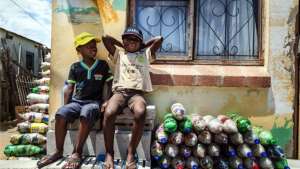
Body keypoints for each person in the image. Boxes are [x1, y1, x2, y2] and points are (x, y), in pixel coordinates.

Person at [37, 32, 113, 169]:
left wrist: (107, 101)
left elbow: (109, 84)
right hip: (76, 102)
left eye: (94, 46)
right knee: (61, 114)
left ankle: (77, 152)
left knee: (87, 112)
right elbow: (69, 87)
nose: (93, 48)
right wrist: (66, 108)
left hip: (93, 102)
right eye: (88, 46)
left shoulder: (103, 65)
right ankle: (58, 151)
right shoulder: (75, 67)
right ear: (79, 50)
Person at [102, 27, 163, 169]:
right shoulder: (119, 54)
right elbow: (105, 37)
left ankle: (131, 153)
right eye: (127, 39)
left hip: (136, 94)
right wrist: (122, 44)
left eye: (134, 39)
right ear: (123, 41)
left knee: (141, 112)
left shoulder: (146, 55)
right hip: (119, 93)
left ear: (140, 42)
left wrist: (142, 45)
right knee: (109, 113)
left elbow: (159, 39)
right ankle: (109, 153)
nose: (131, 42)